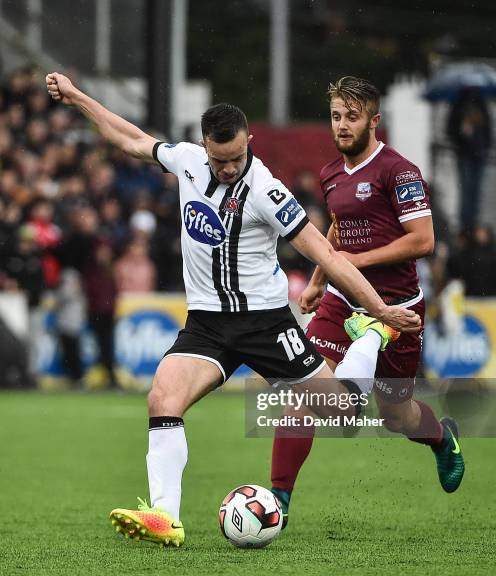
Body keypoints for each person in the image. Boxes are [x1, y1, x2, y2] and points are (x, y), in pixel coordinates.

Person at [46, 72, 421, 547]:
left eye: (237, 158)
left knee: (343, 411)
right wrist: (78, 97)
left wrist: (382, 313)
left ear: (251, 143)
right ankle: (166, 517)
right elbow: (131, 139)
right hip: (206, 323)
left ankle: (370, 335)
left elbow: (326, 257)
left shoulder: (268, 191)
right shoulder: (185, 161)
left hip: (265, 323)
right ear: (204, 147)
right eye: (219, 160)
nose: (228, 168)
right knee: (163, 398)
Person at [270, 76, 465, 528]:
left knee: (396, 417)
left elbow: (423, 240)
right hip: (342, 302)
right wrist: (321, 277)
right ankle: (278, 501)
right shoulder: (330, 174)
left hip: (398, 308)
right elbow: (337, 228)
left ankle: (442, 439)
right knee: (304, 393)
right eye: (336, 116)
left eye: (352, 117)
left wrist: (356, 260)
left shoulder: (400, 172)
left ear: (374, 121)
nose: (342, 125)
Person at [447, 86, 492, 232]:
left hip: (477, 154)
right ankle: (466, 224)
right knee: (467, 190)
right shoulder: (459, 105)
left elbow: (488, 131)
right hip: (466, 154)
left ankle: (472, 223)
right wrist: (462, 134)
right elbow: (451, 130)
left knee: (474, 190)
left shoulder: (480, 104)